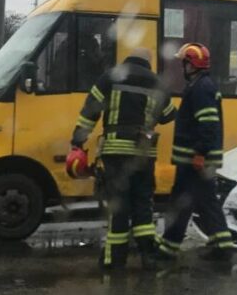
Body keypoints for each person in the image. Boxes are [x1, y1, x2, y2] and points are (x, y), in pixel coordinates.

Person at [68, 48, 177, 270]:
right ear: (148, 62)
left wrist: (78, 141)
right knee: (143, 204)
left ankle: (114, 260)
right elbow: (168, 115)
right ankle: (149, 257)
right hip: (144, 154)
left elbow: (90, 111)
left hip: (115, 153)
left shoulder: (111, 76)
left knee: (119, 205)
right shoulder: (156, 82)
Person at [156, 42, 236, 262]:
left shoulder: (201, 88)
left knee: (183, 202)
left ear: (191, 65)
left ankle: (168, 249)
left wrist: (199, 153)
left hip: (194, 160)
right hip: (194, 160)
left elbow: (207, 125)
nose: (183, 67)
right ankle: (221, 245)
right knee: (204, 203)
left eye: (185, 63)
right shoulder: (201, 85)